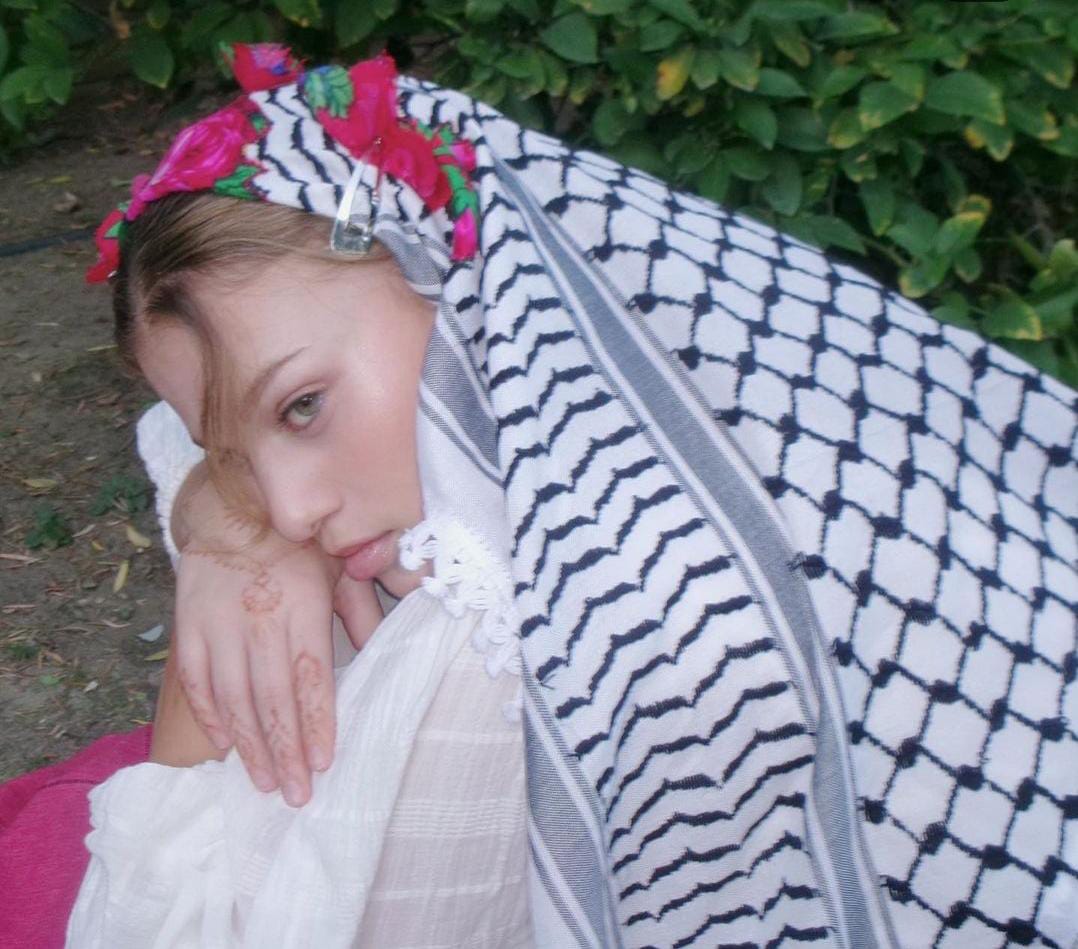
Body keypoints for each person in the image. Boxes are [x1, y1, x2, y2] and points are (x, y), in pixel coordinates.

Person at [2, 42, 1074, 948]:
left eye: (303, 407)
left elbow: (160, 921)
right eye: (232, 452)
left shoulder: (541, 645)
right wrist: (219, 518)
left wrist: (219, 583)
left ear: (451, 275)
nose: (288, 511)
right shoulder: (706, 426)